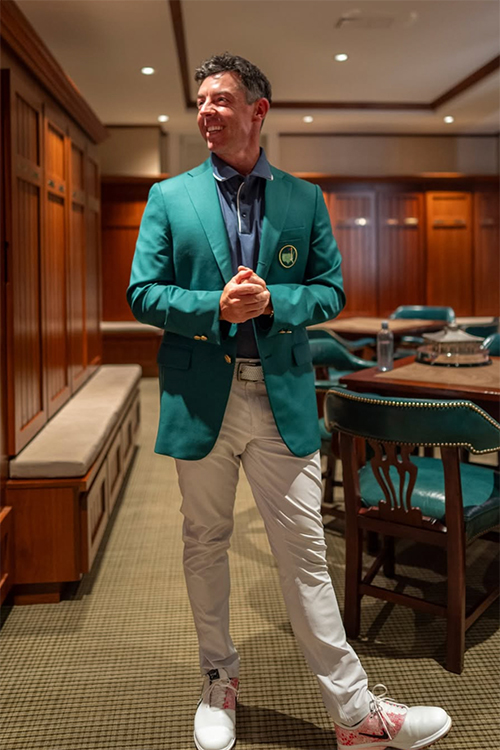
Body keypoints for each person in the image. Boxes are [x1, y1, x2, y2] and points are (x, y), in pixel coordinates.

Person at [127, 53, 452, 750]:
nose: (206, 112)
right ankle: (218, 681)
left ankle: (355, 715)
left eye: (220, 99)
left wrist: (275, 300)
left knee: (305, 552)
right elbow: (142, 294)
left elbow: (331, 292)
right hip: (201, 399)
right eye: (200, 101)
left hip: (283, 400)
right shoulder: (169, 197)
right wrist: (214, 307)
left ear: (258, 110)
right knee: (205, 543)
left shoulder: (304, 200)